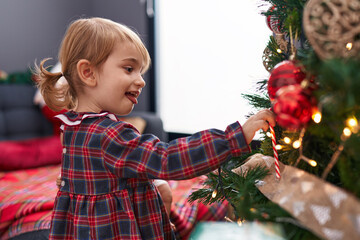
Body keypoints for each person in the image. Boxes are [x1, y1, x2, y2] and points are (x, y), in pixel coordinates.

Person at [35, 17, 275, 240]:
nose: (141, 80)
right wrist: (234, 137)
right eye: (129, 69)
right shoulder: (110, 135)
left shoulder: (73, 127)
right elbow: (167, 157)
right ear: (88, 73)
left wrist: (149, 183)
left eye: (140, 71)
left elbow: (91, 181)